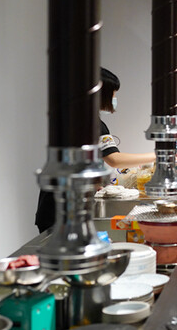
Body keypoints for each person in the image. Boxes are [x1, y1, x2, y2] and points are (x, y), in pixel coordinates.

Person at [34, 67, 155, 232]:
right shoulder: (90, 122)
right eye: (113, 93)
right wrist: (157, 156)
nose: (114, 98)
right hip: (61, 209)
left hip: (55, 205)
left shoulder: (75, 117)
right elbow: (114, 159)